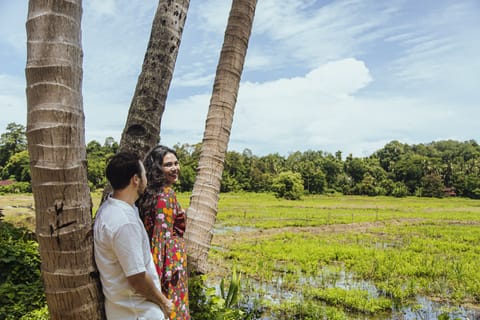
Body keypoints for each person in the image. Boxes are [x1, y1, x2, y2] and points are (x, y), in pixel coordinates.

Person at [93, 152, 173, 319]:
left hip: (124, 310)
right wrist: (164, 302)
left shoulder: (111, 208)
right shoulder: (124, 222)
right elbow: (137, 278)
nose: (146, 179)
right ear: (135, 179)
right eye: (144, 174)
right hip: (138, 313)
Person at [137, 145, 190, 320]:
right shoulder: (166, 196)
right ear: (157, 169)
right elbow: (160, 241)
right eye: (168, 165)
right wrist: (161, 278)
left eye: (176, 163)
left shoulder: (148, 194)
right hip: (170, 270)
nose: (175, 168)